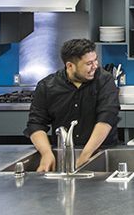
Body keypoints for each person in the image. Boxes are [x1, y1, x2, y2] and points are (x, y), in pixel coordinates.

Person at [24, 38, 120, 172]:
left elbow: (106, 118)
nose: (95, 66)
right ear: (70, 66)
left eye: (95, 60)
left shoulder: (104, 80)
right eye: (88, 63)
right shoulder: (47, 86)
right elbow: (36, 124)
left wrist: (85, 156)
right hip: (63, 153)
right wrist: (46, 153)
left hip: (100, 153)